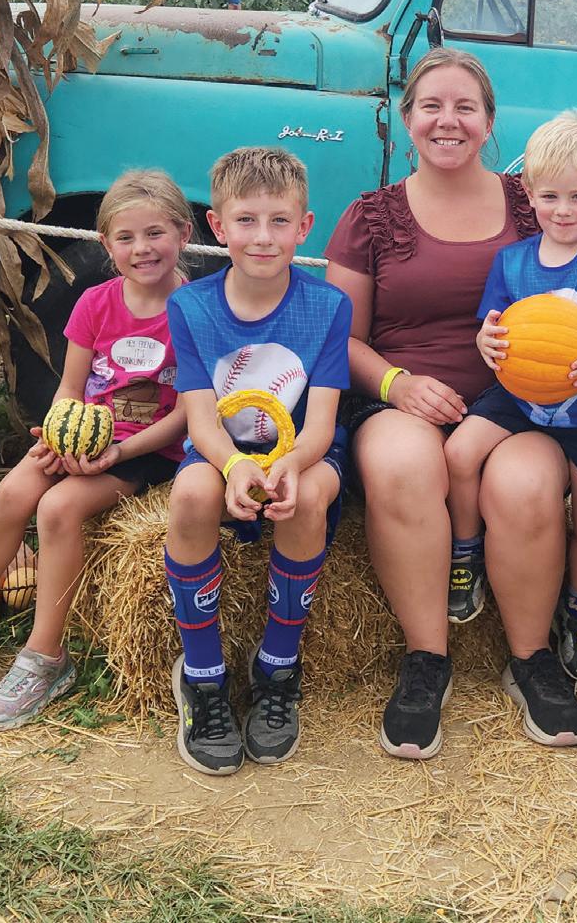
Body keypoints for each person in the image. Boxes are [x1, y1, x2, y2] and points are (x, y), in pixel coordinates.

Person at [325, 47, 577, 760]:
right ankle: (426, 659)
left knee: (525, 483)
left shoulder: (536, 204)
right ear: (407, 119)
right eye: (431, 106)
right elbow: (340, 339)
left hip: (522, 402)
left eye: (465, 107)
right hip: (402, 399)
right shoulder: (371, 217)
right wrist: (397, 385)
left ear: (489, 122)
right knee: (402, 466)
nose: (447, 121)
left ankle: (531, 658)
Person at [0, 171, 193, 726]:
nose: (142, 248)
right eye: (125, 237)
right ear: (105, 244)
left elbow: (185, 415)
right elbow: (70, 389)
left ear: (184, 232)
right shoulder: (95, 303)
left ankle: (46, 656)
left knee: (58, 508)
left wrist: (116, 454)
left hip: (147, 450)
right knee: (12, 494)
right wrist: (58, 434)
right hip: (81, 435)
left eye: (155, 233)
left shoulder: (194, 312)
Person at [443, 111, 577, 689]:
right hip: (518, 396)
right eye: (551, 196)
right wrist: (485, 343)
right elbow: (491, 326)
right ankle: (466, 553)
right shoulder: (512, 261)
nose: (563, 210)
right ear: (529, 194)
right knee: (459, 454)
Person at [164, 147, 351, 776]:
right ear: (218, 226)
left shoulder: (328, 306)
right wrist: (233, 467)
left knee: (307, 498)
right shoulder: (190, 306)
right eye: (246, 220)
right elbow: (200, 420)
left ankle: (277, 667)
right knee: (191, 495)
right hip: (222, 447)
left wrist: (288, 465)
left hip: (304, 449)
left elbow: (320, 424)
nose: (263, 237)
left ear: (305, 227)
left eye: (279, 221)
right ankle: (202, 676)